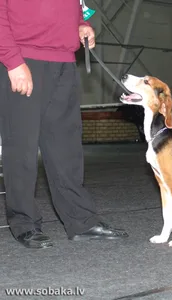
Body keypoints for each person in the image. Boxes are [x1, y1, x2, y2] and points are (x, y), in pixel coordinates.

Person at [0, 1, 128, 248]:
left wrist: (82, 23)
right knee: (22, 148)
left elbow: (76, 5)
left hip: (64, 61)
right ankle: (24, 224)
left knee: (66, 149)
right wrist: (13, 61)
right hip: (24, 59)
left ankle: (81, 221)